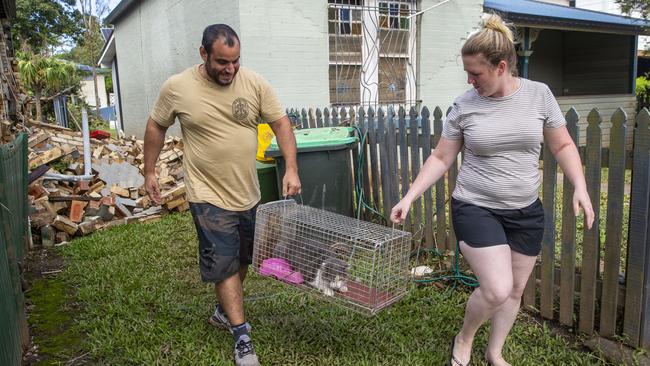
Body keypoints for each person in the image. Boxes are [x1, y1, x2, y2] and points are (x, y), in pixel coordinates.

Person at [390, 14, 594, 366]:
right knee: (497, 288)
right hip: (476, 206)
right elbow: (441, 157)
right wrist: (409, 197)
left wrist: (581, 187)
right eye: (467, 73)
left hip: (525, 210)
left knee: (514, 290)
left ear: (501, 67)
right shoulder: (465, 104)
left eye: (476, 73)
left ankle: (494, 352)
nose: (470, 80)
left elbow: (562, 146)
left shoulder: (539, 95)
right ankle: (464, 338)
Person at [143, 24, 301, 366]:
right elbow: (157, 124)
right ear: (203, 54)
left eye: (235, 61)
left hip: (248, 193)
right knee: (226, 261)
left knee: (244, 259)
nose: (229, 69)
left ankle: (222, 311)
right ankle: (241, 335)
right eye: (221, 62)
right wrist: (150, 170)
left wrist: (291, 168)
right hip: (206, 194)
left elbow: (281, 123)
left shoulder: (255, 83)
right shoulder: (178, 87)